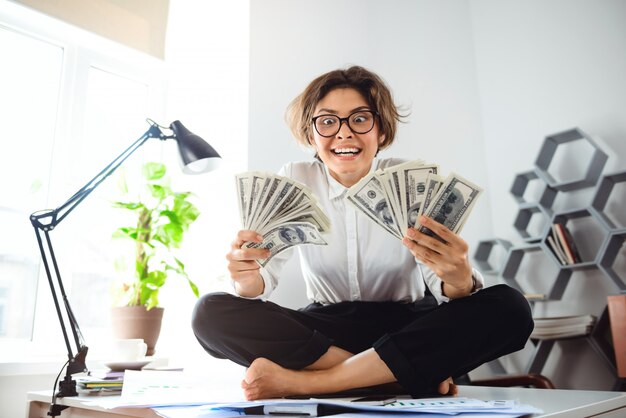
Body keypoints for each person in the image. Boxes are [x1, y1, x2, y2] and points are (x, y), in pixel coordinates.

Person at [192, 66, 533, 401]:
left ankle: (313, 383)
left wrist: (459, 278)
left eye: (359, 119)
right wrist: (247, 275)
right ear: (311, 135)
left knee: (511, 308)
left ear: (381, 132)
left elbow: (446, 289)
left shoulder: (413, 180)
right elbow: (264, 278)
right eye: (327, 121)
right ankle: (392, 378)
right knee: (209, 312)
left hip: (409, 328)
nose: (343, 133)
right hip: (328, 333)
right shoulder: (295, 177)